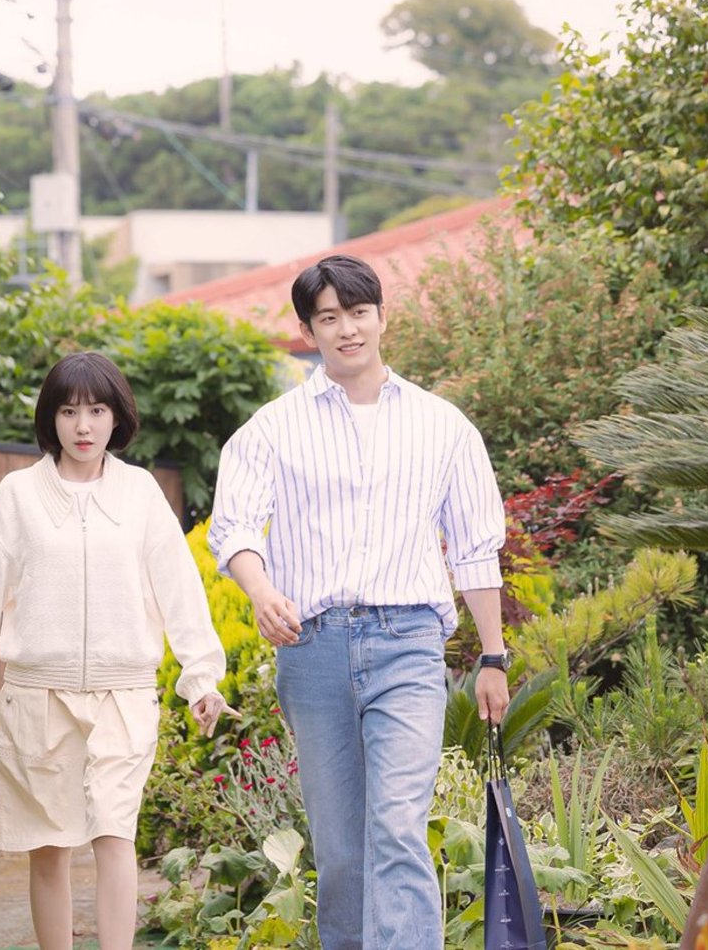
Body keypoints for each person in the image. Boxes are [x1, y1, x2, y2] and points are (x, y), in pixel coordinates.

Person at [208, 254, 510, 950]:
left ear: (381, 315)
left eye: (358, 312)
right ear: (310, 330)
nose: (347, 328)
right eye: (329, 317)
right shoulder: (271, 429)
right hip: (313, 648)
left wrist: (493, 653)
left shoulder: (443, 426)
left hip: (407, 642)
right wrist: (260, 590)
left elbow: (473, 545)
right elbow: (235, 526)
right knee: (342, 848)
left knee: (397, 826)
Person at [0, 351, 237, 950]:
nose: (83, 426)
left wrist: (202, 679)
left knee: (116, 836)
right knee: (50, 848)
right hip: (38, 698)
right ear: (51, 419)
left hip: (124, 695)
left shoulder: (140, 493)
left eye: (96, 410)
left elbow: (180, 591)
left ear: (118, 417)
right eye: (69, 411)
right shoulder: (17, 496)